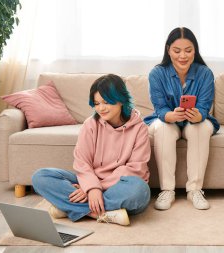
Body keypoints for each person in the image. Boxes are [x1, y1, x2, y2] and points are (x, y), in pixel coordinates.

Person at [32, 74, 151, 226]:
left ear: (121, 100)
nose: (100, 108)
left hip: (118, 185)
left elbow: (136, 169)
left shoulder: (140, 128)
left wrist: (96, 188)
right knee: (41, 176)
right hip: (89, 180)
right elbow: (82, 162)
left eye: (106, 102)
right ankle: (99, 214)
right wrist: (90, 186)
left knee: (140, 191)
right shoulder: (90, 124)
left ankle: (69, 208)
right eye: (96, 103)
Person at [144, 27, 220, 210]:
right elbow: (160, 107)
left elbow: (204, 106)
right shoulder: (157, 73)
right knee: (164, 129)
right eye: (177, 51)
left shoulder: (205, 73)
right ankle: (167, 190)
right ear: (168, 50)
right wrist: (169, 115)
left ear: (195, 50)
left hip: (196, 121)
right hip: (166, 121)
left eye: (188, 50)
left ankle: (194, 190)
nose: (183, 56)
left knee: (199, 128)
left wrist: (198, 115)